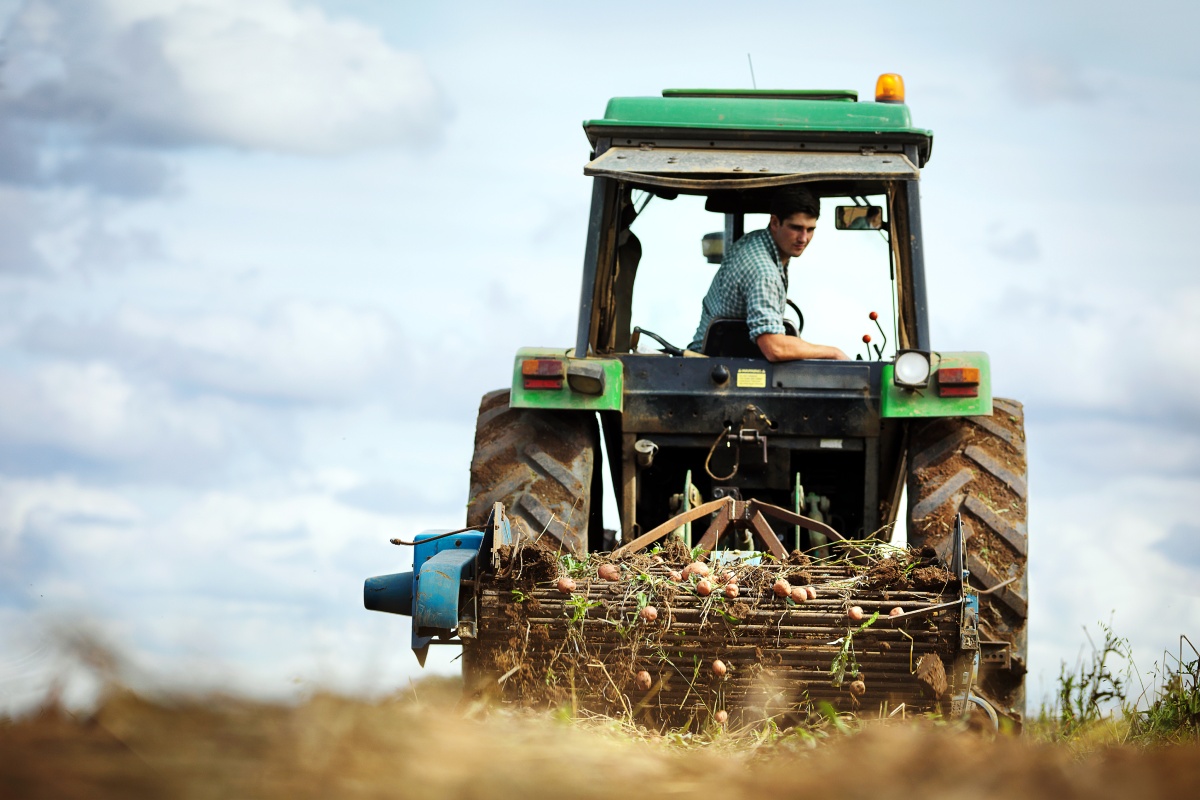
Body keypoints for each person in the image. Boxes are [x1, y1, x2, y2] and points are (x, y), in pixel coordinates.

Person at [688, 186, 850, 361]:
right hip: (708, 367)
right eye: (796, 228)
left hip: (723, 363)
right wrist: (834, 353)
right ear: (774, 223)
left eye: (810, 229)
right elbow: (774, 348)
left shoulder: (755, 241)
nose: (803, 238)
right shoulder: (764, 272)